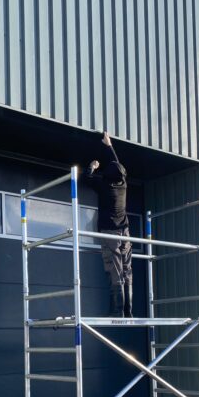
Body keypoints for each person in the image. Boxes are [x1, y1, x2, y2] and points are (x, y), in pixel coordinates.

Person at [87, 132, 133, 318]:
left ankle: (117, 311)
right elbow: (118, 165)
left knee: (114, 269)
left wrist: (92, 166)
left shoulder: (104, 186)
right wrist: (109, 146)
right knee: (126, 269)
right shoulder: (123, 184)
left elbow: (87, 178)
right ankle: (128, 310)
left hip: (110, 233)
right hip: (125, 231)